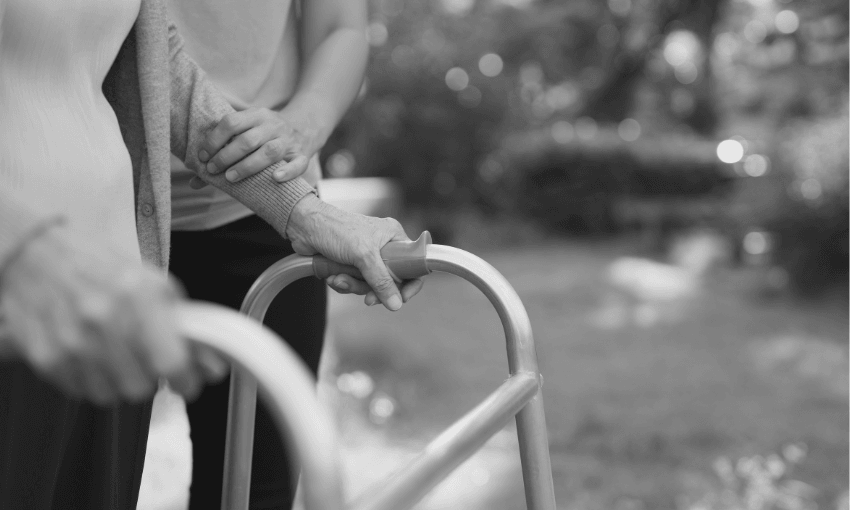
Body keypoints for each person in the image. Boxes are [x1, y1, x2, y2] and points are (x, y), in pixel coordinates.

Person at [0, 0, 420, 507]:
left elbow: (156, 66)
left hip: (117, 269)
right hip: (27, 292)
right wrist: (20, 251)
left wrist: (302, 211)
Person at [164, 0, 370, 507]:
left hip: (264, 210)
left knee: (255, 490)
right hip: (97, 204)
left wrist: (301, 125)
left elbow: (342, 26)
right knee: (68, 478)